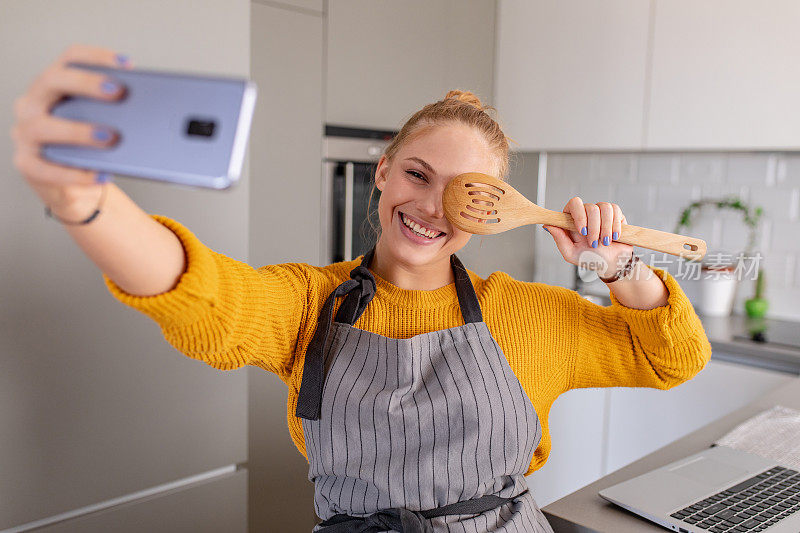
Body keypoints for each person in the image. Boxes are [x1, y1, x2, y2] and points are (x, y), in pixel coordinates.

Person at [13, 44, 713, 533]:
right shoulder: (308, 302)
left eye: (465, 193)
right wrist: (85, 202)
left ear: (493, 207)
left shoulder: (528, 311)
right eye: (416, 175)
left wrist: (624, 269)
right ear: (382, 173)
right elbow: (206, 297)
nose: (432, 206)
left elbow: (672, 357)